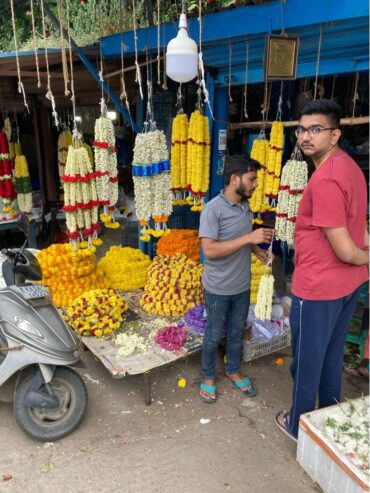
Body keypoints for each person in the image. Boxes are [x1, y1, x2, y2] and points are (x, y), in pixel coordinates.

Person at [276, 99, 369, 441]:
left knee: (306, 364)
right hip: (347, 286)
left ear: (335, 135)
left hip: (320, 287)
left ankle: (297, 426)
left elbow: (345, 249)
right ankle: (329, 420)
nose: (305, 137)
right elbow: (361, 226)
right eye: (302, 129)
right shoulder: (349, 167)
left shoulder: (327, 179)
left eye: (317, 130)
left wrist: (365, 257)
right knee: (331, 356)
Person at [198, 155, 274, 403]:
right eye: (251, 179)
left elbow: (242, 238)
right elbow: (209, 250)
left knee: (236, 331)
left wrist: (258, 251)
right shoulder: (213, 210)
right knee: (213, 334)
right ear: (234, 179)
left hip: (241, 286)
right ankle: (208, 377)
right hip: (218, 287)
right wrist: (250, 239)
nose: (255, 184)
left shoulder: (245, 207)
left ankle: (232, 370)